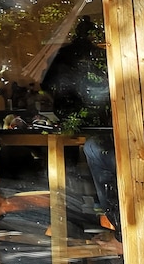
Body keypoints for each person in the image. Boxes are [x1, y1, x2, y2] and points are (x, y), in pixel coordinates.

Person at [41, 16, 121, 238]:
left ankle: (71, 219)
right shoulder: (100, 55)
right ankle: (97, 218)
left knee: (74, 157)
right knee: (91, 150)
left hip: (77, 122)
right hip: (99, 124)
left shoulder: (64, 55)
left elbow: (45, 84)